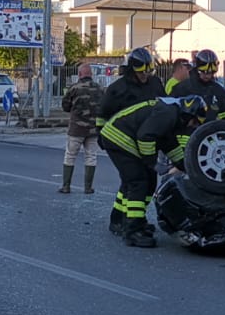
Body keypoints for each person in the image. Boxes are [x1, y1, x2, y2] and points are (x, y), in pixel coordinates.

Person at [100, 94, 208, 248]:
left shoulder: (173, 116)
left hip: (122, 136)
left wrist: (185, 165)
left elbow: (169, 143)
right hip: (119, 137)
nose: (193, 126)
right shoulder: (169, 113)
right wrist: (151, 163)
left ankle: (121, 220)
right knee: (138, 181)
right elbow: (145, 136)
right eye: (194, 121)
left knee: (145, 181)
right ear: (189, 112)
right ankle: (133, 231)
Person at [95, 48, 165, 235]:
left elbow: (163, 109)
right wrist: (101, 136)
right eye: (141, 72)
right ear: (131, 69)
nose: (144, 75)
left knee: (148, 181)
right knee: (135, 180)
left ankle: (130, 217)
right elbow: (102, 115)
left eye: (147, 72)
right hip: (122, 140)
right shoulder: (118, 89)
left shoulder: (155, 84)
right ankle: (128, 221)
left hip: (147, 141)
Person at [58, 62, 101, 195]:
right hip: (93, 129)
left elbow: (65, 106)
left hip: (76, 128)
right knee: (91, 156)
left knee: (70, 156)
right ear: (91, 74)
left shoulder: (74, 88)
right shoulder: (100, 89)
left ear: (80, 74)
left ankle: (66, 186)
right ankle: (88, 188)